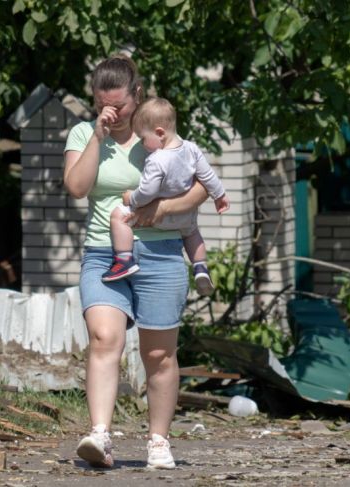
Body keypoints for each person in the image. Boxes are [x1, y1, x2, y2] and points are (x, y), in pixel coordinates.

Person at [63, 54, 209, 470]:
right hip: (103, 251)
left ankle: (158, 442)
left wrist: (162, 211)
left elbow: (201, 186)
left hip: (161, 253)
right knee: (104, 338)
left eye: (120, 106)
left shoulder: (161, 134)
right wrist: (97, 135)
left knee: (159, 355)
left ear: (137, 95)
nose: (111, 112)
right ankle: (100, 434)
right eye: (102, 104)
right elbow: (76, 187)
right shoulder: (82, 133)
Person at [101, 97, 230, 297]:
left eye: (143, 139)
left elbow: (147, 192)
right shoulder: (191, 149)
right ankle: (200, 267)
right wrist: (219, 195)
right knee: (192, 233)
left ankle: (124, 260)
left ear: (160, 133)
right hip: (185, 214)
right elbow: (207, 176)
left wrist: (131, 199)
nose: (143, 145)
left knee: (118, 216)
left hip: (157, 218)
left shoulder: (157, 159)